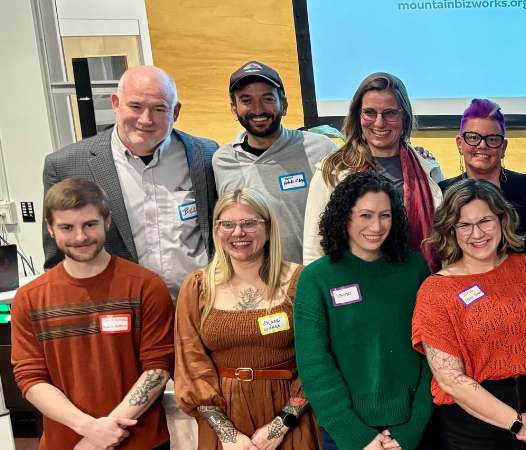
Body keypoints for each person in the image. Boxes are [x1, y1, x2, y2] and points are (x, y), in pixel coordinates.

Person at [12, 177, 174, 449]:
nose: (80, 237)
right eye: (66, 227)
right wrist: (89, 430)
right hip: (67, 443)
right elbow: (30, 377)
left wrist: (106, 433)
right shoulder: (30, 298)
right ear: (50, 229)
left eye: (90, 224)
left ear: (107, 222)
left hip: (141, 442)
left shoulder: (146, 286)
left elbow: (158, 368)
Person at [42, 65, 218, 295]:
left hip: (198, 305)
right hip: (118, 309)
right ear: (115, 103)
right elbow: (57, 260)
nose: (146, 120)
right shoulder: (67, 165)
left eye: (158, 109)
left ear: (175, 112)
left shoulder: (205, 154)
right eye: (135, 106)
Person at [413, 179, 526, 449]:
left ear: (502, 219)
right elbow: (451, 379)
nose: (477, 233)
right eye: (464, 225)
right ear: (451, 230)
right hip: (475, 428)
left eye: (485, 221)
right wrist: (517, 423)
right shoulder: (436, 291)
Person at [294, 172, 433, 450]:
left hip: (411, 430)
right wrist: (356, 436)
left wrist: (412, 427)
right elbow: (314, 364)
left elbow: (433, 353)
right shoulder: (316, 279)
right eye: (365, 215)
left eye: (385, 215)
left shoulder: (414, 269)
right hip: (345, 433)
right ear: (344, 217)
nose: (377, 226)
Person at [174, 188, 317, 449]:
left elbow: (318, 359)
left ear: (268, 226)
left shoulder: (302, 281)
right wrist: (228, 436)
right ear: (216, 230)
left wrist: (280, 426)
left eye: (249, 223)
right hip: (224, 420)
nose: (238, 233)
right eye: (227, 224)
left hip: (291, 417)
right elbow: (191, 365)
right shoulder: (197, 287)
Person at [439, 98, 526, 309]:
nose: (482, 145)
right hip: (462, 313)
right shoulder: (441, 194)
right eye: (473, 137)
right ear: (459, 143)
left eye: (492, 139)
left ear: (503, 147)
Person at [301, 72, 444, 270]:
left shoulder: (428, 169)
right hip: (353, 288)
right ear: (358, 116)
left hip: (419, 286)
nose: (379, 123)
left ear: (404, 116)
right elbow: (313, 249)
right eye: (370, 112)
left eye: (390, 113)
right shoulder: (332, 170)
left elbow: (444, 240)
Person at [212, 60, 337, 264]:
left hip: (312, 279)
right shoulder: (222, 161)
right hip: (255, 285)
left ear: (284, 105)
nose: (258, 109)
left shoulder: (321, 150)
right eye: (246, 100)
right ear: (234, 109)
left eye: (267, 99)